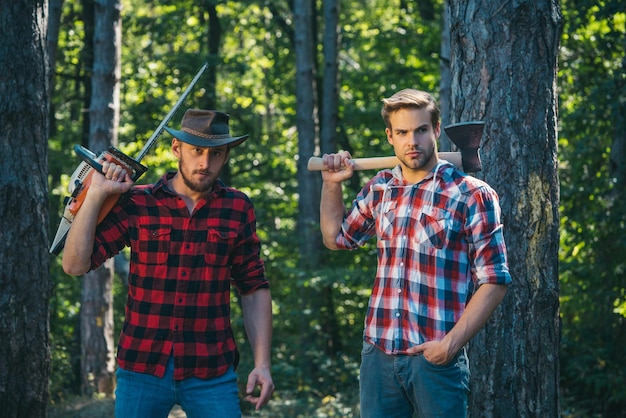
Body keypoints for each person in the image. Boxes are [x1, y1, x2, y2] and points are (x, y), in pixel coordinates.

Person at [62, 109, 274, 417]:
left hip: (211, 371)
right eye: (196, 151)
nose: (204, 163)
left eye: (216, 154)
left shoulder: (237, 207)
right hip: (141, 368)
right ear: (177, 149)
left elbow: (253, 287)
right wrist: (96, 194)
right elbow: (74, 264)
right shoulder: (139, 202)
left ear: (226, 155)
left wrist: (262, 364)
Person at [319, 89, 511, 417]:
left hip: (435, 362)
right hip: (378, 356)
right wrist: (332, 184)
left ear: (436, 129)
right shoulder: (380, 189)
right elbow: (336, 238)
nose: (413, 141)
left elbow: (495, 280)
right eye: (403, 132)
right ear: (390, 137)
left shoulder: (471, 195)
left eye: (421, 130)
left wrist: (449, 346)